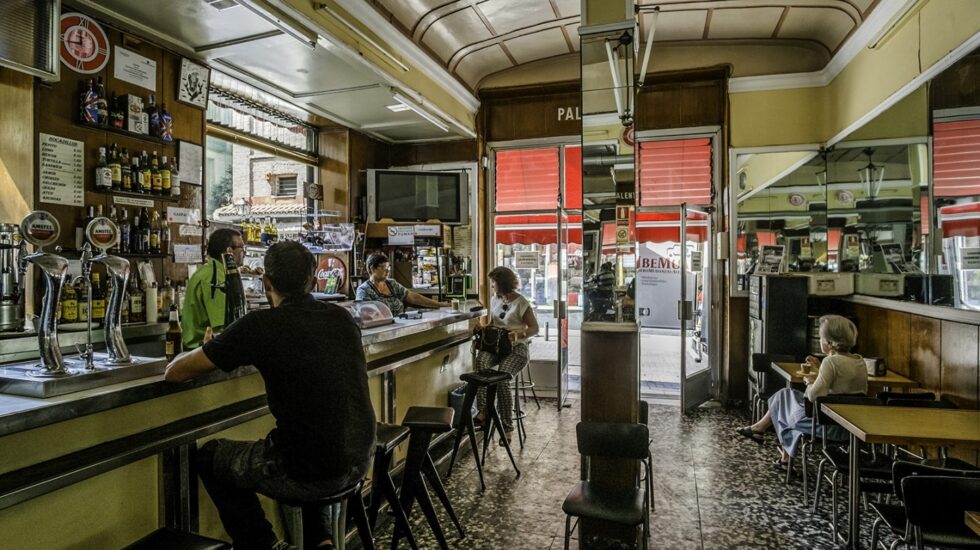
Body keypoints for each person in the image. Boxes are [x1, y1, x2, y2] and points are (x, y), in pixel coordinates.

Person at [165, 241, 376, 550]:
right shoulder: (341, 318)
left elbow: (176, 372)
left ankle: (265, 544)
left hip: (312, 471)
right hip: (360, 460)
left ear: (266, 281)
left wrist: (211, 345)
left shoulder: (260, 326)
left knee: (211, 458)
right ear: (313, 278)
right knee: (308, 436)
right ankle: (321, 541)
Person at [737, 315, 867, 467]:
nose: (820, 341)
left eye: (821, 337)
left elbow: (813, 396)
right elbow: (842, 387)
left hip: (826, 427)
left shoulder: (831, 362)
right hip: (851, 427)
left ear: (829, 343)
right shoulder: (859, 360)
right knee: (784, 395)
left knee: (783, 408)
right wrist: (819, 371)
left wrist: (808, 382)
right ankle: (759, 430)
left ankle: (783, 456)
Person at [474, 266, 539, 445]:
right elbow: (493, 323)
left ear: (501, 283)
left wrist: (518, 335)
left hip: (517, 350)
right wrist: (483, 327)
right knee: (481, 364)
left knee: (502, 377)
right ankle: (484, 412)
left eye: (493, 282)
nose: (492, 286)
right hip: (497, 347)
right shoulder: (496, 299)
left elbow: (535, 328)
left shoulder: (521, 303)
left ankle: (507, 429)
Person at [181, 228, 246, 350]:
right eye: (242, 248)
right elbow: (224, 326)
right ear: (229, 251)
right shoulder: (215, 277)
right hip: (203, 351)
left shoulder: (207, 271)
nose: (244, 253)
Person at [355, 252, 449, 315]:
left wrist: (439, 304)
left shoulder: (392, 284)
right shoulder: (363, 290)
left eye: (389, 267)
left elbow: (413, 297)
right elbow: (366, 316)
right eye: (384, 267)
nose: (387, 271)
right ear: (372, 268)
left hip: (399, 328)